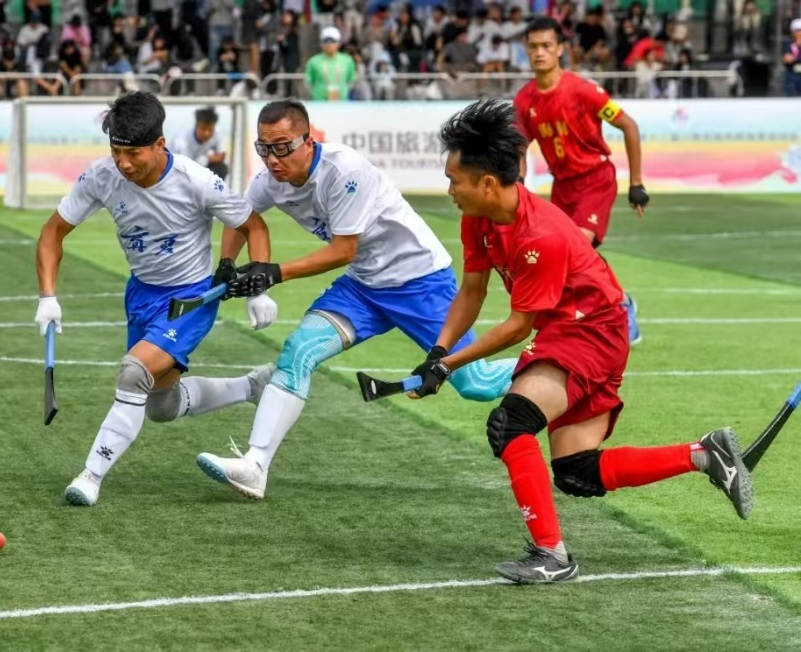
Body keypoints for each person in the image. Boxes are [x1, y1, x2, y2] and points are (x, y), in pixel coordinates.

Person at [407, 98, 753, 584]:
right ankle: (703, 454)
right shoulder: (478, 217)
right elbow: (472, 290)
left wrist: (449, 367)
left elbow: (519, 326)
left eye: (453, 180)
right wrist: (438, 352)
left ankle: (551, 556)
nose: (449, 191)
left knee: (511, 423)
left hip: (593, 330)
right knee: (577, 472)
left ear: (486, 183)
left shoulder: (540, 234)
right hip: (569, 329)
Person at [194, 99, 517, 500]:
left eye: (282, 147)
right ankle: (255, 466)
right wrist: (228, 264)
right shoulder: (269, 181)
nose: (272, 158)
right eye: (264, 148)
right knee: (299, 350)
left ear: (307, 141)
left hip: (420, 282)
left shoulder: (345, 171)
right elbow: (242, 218)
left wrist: (272, 274)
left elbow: (343, 250)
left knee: (477, 384)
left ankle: (556, 365)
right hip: (363, 288)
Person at [34, 92, 278, 507]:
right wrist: (48, 297)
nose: (124, 163)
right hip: (142, 294)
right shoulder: (101, 177)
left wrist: (260, 287)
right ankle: (252, 386)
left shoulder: (196, 180)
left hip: (192, 298)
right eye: (116, 152)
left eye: (133, 153)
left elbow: (253, 225)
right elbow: (52, 233)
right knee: (161, 406)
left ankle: (90, 477)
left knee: (134, 373)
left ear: (160, 144)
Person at [513, 17, 648, 346]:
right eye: (533, 46)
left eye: (547, 46)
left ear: (560, 49)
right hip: (562, 187)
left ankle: (619, 307)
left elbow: (629, 126)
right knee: (571, 257)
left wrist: (636, 183)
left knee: (573, 248)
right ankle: (614, 305)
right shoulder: (524, 101)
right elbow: (520, 147)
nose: (540, 52)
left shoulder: (584, 91)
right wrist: (518, 184)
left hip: (595, 179)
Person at [168, 107, 229, 181]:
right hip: (175, 171)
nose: (206, 133)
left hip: (197, 166)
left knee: (221, 168)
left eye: (210, 130)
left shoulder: (217, 135)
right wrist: (207, 159)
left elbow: (221, 156)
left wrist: (207, 159)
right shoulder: (182, 140)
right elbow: (186, 167)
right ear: (196, 126)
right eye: (203, 129)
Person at [304, 26, 357, 101]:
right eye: (326, 41)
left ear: (339, 43)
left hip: (342, 103)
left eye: (333, 41)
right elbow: (308, 83)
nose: (329, 44)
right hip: (319, 103)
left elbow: (351, 81)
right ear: (321, 43)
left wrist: (344, 92)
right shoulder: (313, 61)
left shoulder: (347, 61)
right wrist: (316, 94)